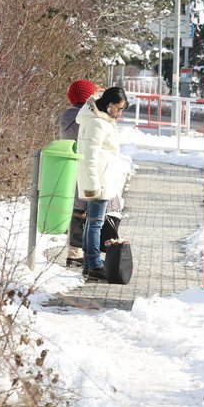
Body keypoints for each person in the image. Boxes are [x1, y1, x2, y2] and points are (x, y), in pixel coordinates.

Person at [76, 86, 128, 281]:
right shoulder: (97, 123)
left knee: (93, 223)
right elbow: (89, 156)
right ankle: (94, 263)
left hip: (101, 178)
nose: (119, 113)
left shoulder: (102, 120)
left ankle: (91, 263)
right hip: (98, 179)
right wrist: (92, 185)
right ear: (108, 104)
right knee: (95, 223)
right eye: (118, 108)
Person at [59, 79, 97, 267]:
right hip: (85, 167)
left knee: (77, 209)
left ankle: (74, 253)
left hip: (70, 167)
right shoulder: (86, 118)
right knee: (86, 211)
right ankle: (80, 254)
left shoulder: (67, 116)